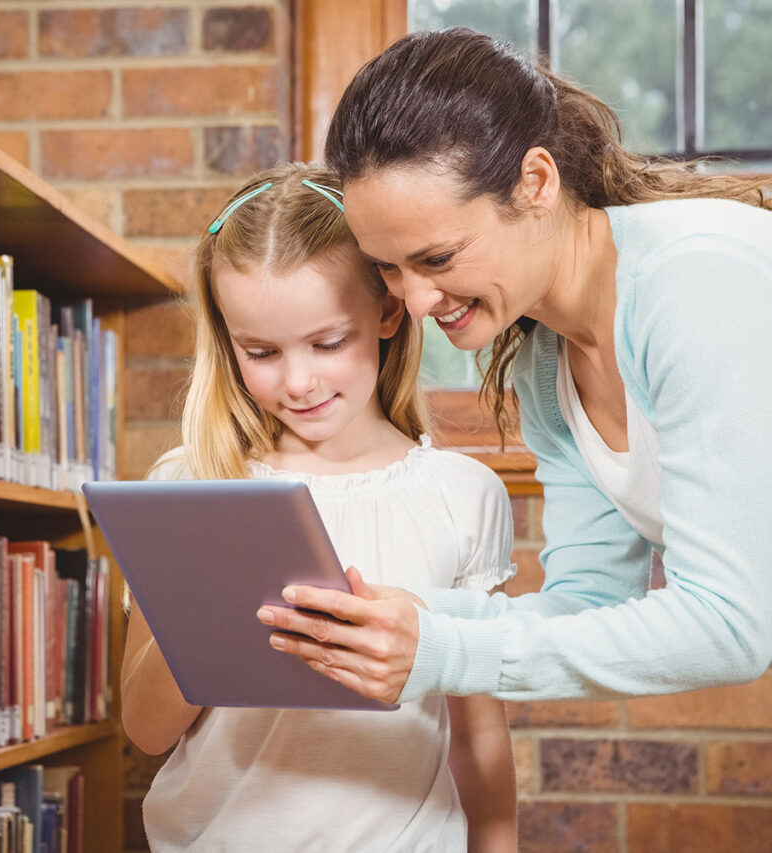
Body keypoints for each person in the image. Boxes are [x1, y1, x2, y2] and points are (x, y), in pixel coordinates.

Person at [256, 29, 772, 852]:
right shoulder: (545, 362)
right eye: (388, 269)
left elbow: (724, 626)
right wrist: (407, 612)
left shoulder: (697, 287)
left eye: (437, 256)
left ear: (535, 180)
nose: (414, 302)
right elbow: (588, 600)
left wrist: (443, 648)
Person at [120, 162, 518, 853]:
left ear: (389, 311)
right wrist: (207, 615)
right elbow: (145, 730)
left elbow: (480, 734)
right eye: (261, 351)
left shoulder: (459, 494)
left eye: (328, 343)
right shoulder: (190, 484)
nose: (298, 380)